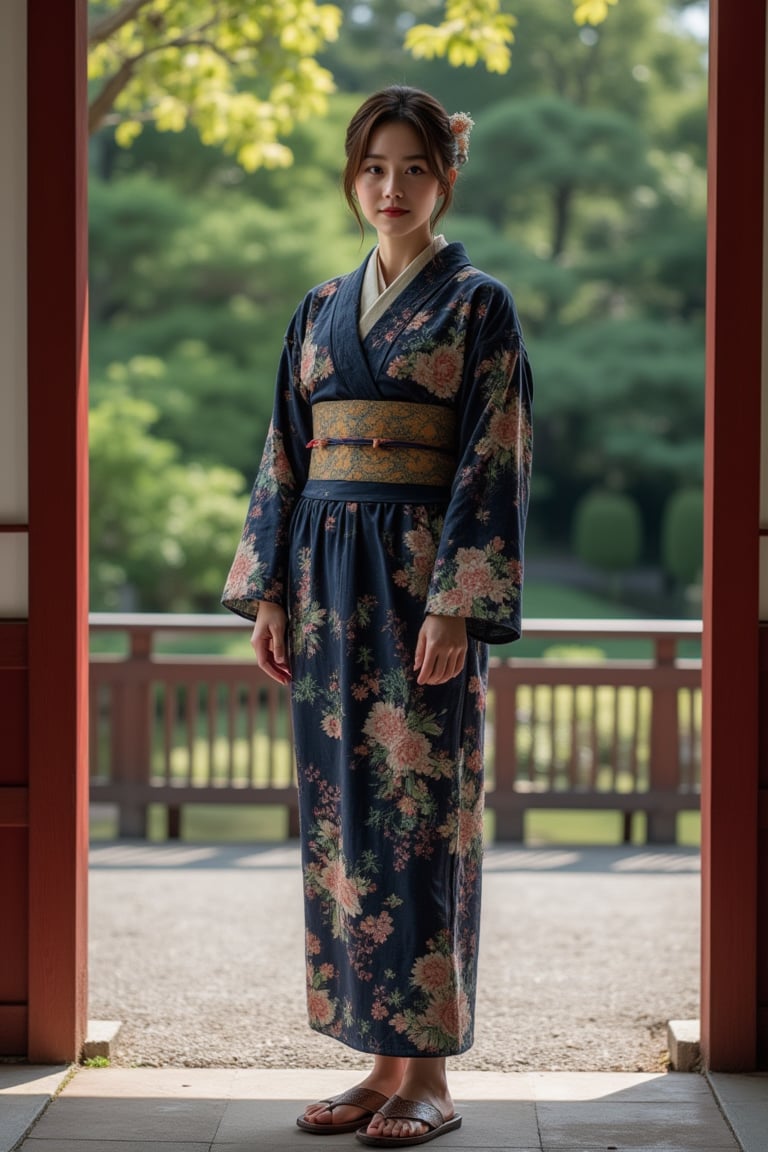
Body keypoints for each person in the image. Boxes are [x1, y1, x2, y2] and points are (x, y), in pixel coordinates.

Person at [222, 85, 533, 1148]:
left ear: (446, 176)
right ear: (352, 179)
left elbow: (494, 459)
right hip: (320, 591)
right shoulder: (317, 308)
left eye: (410, 168)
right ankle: (377, 1062)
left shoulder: (479, 304)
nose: (389, 188)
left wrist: (456, 603)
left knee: (421, 817)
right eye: (371, 169)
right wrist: (267, 587)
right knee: (344, 824)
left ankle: (431, 1074)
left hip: (416, 590)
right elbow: (282, 453)